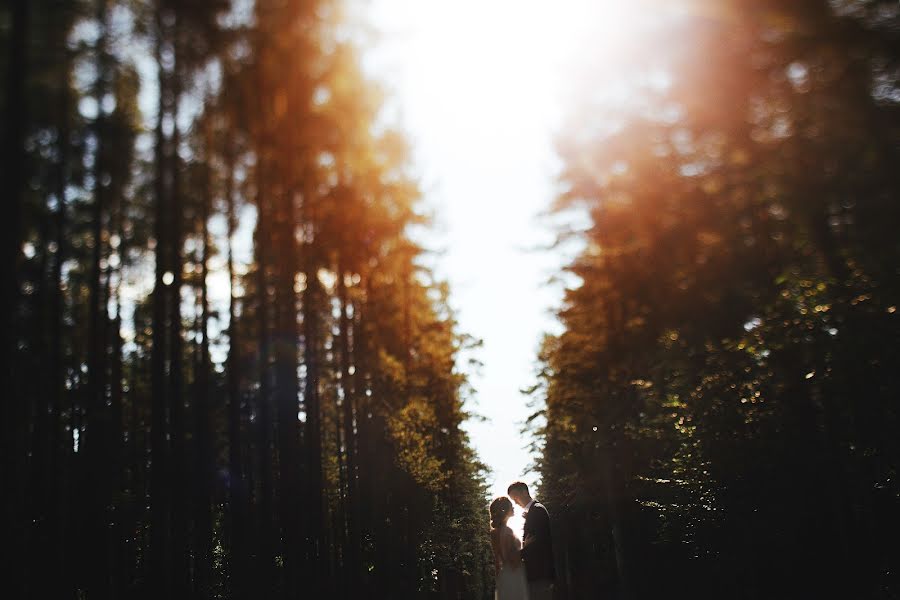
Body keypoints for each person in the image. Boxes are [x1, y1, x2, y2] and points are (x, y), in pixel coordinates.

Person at [508, 482, 555, 600]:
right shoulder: (534, 510)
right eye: (513, 500)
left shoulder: (537, 510)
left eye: (516, 498)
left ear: (524, 492)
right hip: (538, 573)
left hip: (539, 573)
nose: (515, 502)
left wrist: (520, 553)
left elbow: (536, 544)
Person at [489, 496, 529, 600]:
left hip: (503, 576)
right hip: (514, 574)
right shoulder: (508, 532)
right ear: (504, 510)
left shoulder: (494, 533)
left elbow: (498, 560)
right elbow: (513, 560)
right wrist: (527, 545)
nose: (514, 508)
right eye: (511, 506)